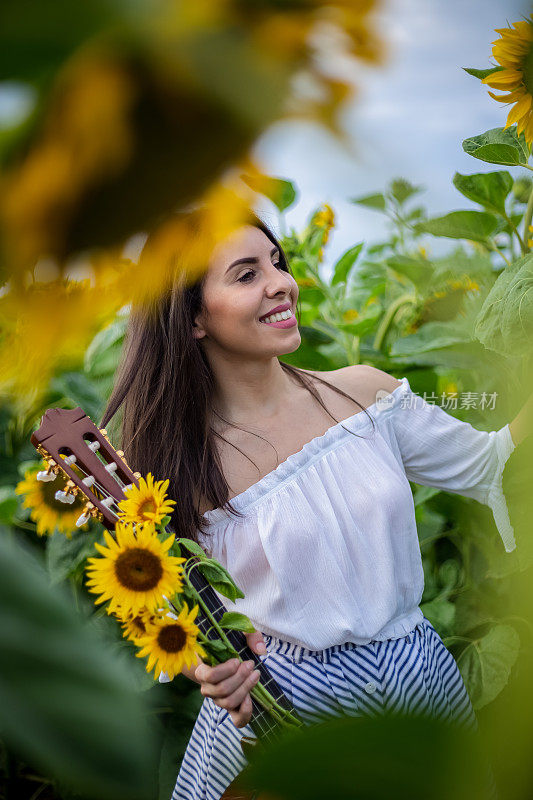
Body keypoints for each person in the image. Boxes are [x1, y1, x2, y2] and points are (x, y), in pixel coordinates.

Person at [102, 205, 523, 800]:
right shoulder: (183, 467)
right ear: (193, 316)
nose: (281, 283)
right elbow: (155, 601)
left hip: (419, 679)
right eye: (246, 275)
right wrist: (204, 668)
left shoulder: (364, 394)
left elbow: (490, 466)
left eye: (277, 262)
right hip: (287, 706)